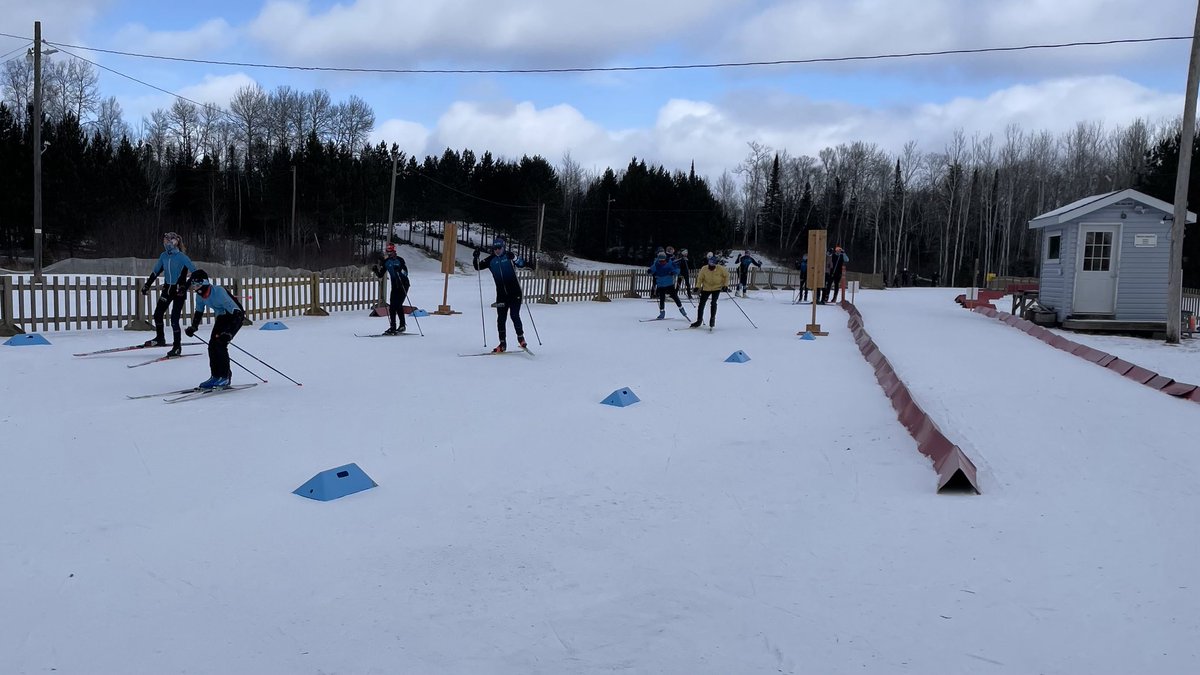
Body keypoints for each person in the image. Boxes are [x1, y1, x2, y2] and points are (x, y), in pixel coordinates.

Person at [183, 270, 245, 389]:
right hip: (222, 316)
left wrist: (229, 333)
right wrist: (193, 327)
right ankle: (215, 376)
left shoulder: (219, 292)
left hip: (235, 316)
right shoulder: (200, 296)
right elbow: (199, 311)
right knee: (212, 345)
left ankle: (225, 377)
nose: (196, 289)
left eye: (198, 285)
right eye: (193, 286)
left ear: (205, 283)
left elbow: (237, 313)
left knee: (221, 344)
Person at [140, 232, 196, 356]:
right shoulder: (163, 256)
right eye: (164, 241)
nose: (165, 243)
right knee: (158, 314)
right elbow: (156, 272)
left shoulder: (182, 257)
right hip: (168, 289)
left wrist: (185, 287)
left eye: (167, 241)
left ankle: (177, 347)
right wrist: (147, 285)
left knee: (174, 319)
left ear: (174, 242)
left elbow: (196, 273)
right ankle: (160, 338)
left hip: (179, 292)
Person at [473, 238, 530, 353]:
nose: (497, 250)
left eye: (499, 248)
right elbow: (477, 267)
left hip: (515, 293)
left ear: (503, 247)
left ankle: (521, 338)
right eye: (495, 248)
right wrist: (475, 257)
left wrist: (515, 258)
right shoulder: (491, 260)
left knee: (514, 315)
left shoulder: (509, 256)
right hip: (501, 295)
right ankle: (502, 344)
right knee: (501, 319)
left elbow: (522, 264)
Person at [372, 242, 410, 335]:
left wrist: (399, 270)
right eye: (387, 252)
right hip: (395, 286)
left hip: (403, 284)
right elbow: (381, 274)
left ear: (394, 251)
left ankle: (402, 325)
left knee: (398, 305)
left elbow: (406, 273)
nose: (389, 254)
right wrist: (376, 270)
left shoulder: (400, 260)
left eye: (391, 252)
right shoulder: (386, 262)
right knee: (392, 307)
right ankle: (393, 326)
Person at [648, 252, 689, 320]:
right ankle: (662, 312)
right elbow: (652, 269)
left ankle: (682, 310)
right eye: (660, 261)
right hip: (660, 284)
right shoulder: (656, 263)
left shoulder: (670, 263)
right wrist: (650, 271)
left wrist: (674, 272)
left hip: (669, 284)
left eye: (663, 261)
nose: (661, 262)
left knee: (675, 297)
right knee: (662, 298)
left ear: (665, 259)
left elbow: (677, 269)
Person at [691, 256, 729, 328]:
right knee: (701, 304)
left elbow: (726, 276)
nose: (711, 265)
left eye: (713, 264)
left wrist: (725, 285)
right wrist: (697, 287)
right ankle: (699, 320)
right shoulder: (704, 268)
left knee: (713, 303)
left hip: (717, 288)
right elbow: (700, 278)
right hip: (706, 288)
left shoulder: (720, 269)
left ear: (715, 264)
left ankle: (712, 319)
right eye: (710, 263)